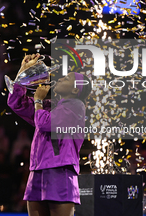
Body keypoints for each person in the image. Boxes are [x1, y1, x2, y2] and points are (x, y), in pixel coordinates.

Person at [7, 53, 92, 216]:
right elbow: (17, 104)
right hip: (38, 170)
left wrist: (38, 101)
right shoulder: (51, 105)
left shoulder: (76, 108)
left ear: (75, 89)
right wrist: (23, 74)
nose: (59, 79)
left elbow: (46, 124)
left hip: (60, 171)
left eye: (66, 79)